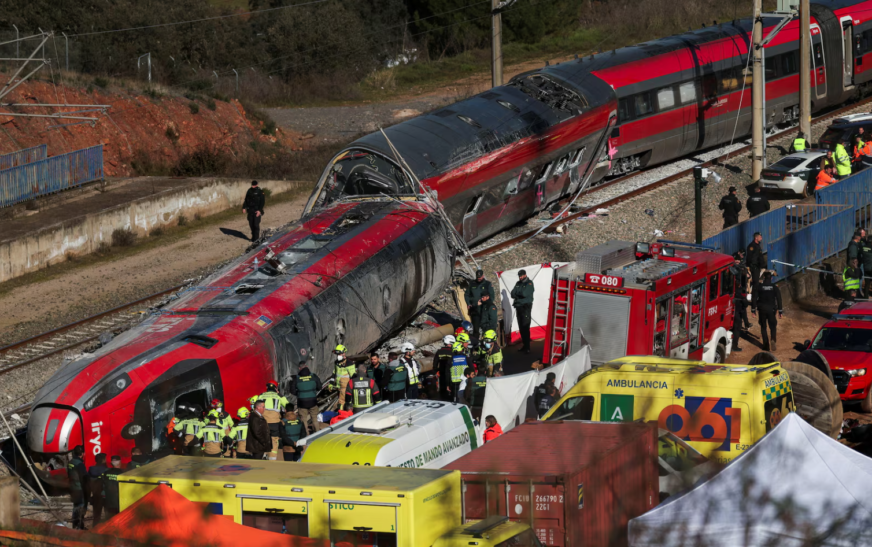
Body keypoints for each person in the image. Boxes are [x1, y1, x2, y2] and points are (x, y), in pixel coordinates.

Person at [258, 380, 290, 460]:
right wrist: (279, 394)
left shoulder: (261, 396)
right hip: (274, 422)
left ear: (267, 387)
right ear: (276, 388)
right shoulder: (278, 396)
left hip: (263, 422)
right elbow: (287, 405)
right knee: (274, 439)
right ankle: (272, 458)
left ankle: (264, 454)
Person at [751, 271, 783, 351]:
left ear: (764, 278)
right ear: (771, 278)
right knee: (773, 326)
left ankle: (766, 345)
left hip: (762, 309)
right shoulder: (774, 287)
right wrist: (780, 311)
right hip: (771, 310)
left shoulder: (759, 286)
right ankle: (773, 339)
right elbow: (779, 298)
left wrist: (753, 310)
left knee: (763, 327)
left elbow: (754, 298)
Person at [292, 366, 322, 435]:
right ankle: (317, 433)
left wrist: (299, 394)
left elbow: (292, 390)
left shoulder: (297, 378)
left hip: (302, 402)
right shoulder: (313, 376)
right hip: (313, 401)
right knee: (314, 418)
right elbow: (319, 386)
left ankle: (306, 435)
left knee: (303, 419)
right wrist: (313, 391)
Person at [730, 253, 751, 352]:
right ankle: (734, 346)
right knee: (737, 328)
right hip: (738, 310)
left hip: (731, 309)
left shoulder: (731, 290)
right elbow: (745, 303)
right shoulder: (740, 292)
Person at [465, 270, 496, 339]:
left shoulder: (487, 284)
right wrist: (468, 303)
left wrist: (486, 305)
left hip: (484, 309)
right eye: (478, 277)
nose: (479, 278)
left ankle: (486, 341)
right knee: (475, 329)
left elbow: (492, 297)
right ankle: (476, 344)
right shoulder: (472, 283)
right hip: (475, 309)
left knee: (485, 327)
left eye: (480, 277)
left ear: (483, 276)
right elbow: (467, 295)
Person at [511, 269, 535, 353]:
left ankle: (527, 347)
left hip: (525, 307)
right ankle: (524, 345)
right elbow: (512, 293)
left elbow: (525, 294)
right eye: (519, 276)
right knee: (521, 327)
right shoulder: (518, 283)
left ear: (525, 275)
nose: (520, 277)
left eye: (521, 276)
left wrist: (518, 293)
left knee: (525, 326)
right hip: (518, 306)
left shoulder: (529, 283)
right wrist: (519, 294)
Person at [67, 446, 89, 530]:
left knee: (75, 507)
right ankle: (79, 527)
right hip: (79, 489)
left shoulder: (71, 462)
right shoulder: (80, 464)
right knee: (81, 507)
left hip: (72, 488)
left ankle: (75, 526)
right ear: (83, 454)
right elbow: (84, 478)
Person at [87, 453, 108, 528]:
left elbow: (88, 483)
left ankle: (95, 532)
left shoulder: (91, 469)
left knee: (96, 516)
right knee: (108, 516)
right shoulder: (106, 470)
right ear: (103, 460)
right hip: (105, 496)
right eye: (105, 459)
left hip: (96, 495)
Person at [435, 335, 456, 401]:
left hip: (442, 375)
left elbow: (435, 364)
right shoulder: (453, 352)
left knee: (443, 393)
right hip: (451, 375)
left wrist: (436, 371)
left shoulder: (439, 351)